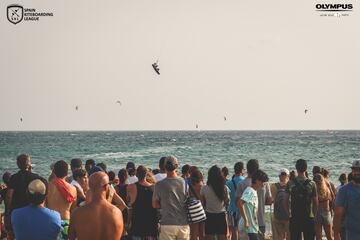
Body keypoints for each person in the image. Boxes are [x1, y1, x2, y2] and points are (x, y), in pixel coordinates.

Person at [69, 172, 123, 240]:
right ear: (106, 187)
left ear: (89, 186)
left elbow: (71, 237)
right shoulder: (116, 213)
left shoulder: (77, 213)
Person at [152, 155, 189, 240]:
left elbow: (154, 204)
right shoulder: (184, 182)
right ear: (177, 166)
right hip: (183, 222)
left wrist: (165, 203)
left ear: (164, 167)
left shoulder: (159, 184)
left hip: (167, 223)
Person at [5, 154, 40, 240]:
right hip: (32, 210)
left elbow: (9, 195)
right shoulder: (35, 177)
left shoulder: (14, 177)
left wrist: (8, 210)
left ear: (17, 164)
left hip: (17, 210)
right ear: (29, 164)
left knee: (16, 235)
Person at [235, 159, 271, 240]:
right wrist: (246, 220)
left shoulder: (242, 184)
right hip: (251, 224)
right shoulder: (251, 190)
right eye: (263, 183)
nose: (263, 185)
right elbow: (239, 203)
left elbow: (237, 202)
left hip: (253, 224)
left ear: (247, 169)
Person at [284, 159, 318, 240]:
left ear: (296, 168)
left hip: (295, 216)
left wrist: (288, 214)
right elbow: (316, 202)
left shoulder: (290, 183)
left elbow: (285, 201)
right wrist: (314, 215)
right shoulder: (312, 183)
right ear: (306, 169)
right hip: (308, 217)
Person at [47, 160, 77, 239]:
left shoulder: (47, 187)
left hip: (51, 222)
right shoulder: (73, 189)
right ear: (67, 173)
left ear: (53, 171)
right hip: (66, 222)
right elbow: (73, 210)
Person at [127, 166, 159, 239]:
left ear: (136, 175)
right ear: (146, 174)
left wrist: (128, 222)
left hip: (137, 226)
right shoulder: (154, 188)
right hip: (151, 226)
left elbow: (130, 206)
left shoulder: (131, 187)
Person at [200, 165, 230, 240]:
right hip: (221, 215)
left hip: (209, 216)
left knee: (209, 237)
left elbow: (202, 204)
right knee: (223, 237)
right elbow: (227, 202)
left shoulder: (204, 188)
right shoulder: (224, 188)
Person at [334, 160, 360, 240]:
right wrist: (336, 235)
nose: (357, 172)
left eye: (359, 170)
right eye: (354, 170)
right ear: (352, 171)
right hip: (352, 234)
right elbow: (338, 215)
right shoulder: (344, 190)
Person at [226, 162, 245, 240]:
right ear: (241, 170)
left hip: (232, 209)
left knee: (234, 230)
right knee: (244, 231)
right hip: (243, 209)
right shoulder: (245, 181)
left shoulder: (228, 182)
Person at [270, 168, 290, 240]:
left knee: (279, 237)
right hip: (288, 215)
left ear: (279, 176)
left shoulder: (273, 186)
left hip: (277, 215)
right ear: (288, 176)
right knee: (289, 236)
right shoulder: (291, 186)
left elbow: (272, 199)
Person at [313, 173, 333, 240]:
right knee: (329, 237)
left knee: (318, 238)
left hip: (317, 212)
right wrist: (332, 211)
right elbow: (332, 198)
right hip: (326, 212)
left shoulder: (314, 190)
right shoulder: (327, 190)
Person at [189, 168, 205, 240]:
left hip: (193, 212)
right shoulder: (203, 186)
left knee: (193, 234)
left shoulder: (189, 187)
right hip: (202, 210)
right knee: (202, 234)